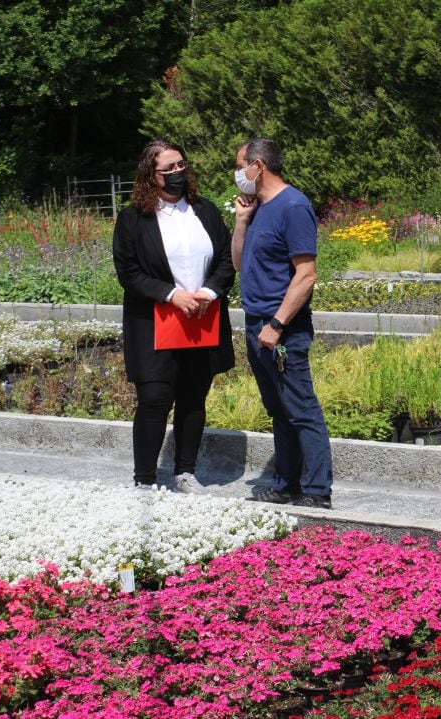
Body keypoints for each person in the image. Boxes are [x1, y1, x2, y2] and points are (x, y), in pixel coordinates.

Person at [112, 139, 235, 490]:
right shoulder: (133, 218)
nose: (177, 173)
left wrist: (210, 291)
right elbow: (129, 272)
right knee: (154, 398)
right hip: (154, 321)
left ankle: (185, 471)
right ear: (150, 175)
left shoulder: (205, 210)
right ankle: (145, 480)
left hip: (202, 316)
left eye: (181, 165)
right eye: (168, 169)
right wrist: (170, 294)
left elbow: (227, 258)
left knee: (193, 396)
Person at [232, 137, 333, 509]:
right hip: (255, 322)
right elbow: (240, 263)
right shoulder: (258, 208)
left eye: (240, 164)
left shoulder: (294, 206)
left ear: (258, 166)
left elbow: (305, 275)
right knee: (278, 409)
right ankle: (286, 482)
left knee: (301, 407)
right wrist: (242, 222)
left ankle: (317, 490)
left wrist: (276, 324)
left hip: (281, 326)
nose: (237, 173)